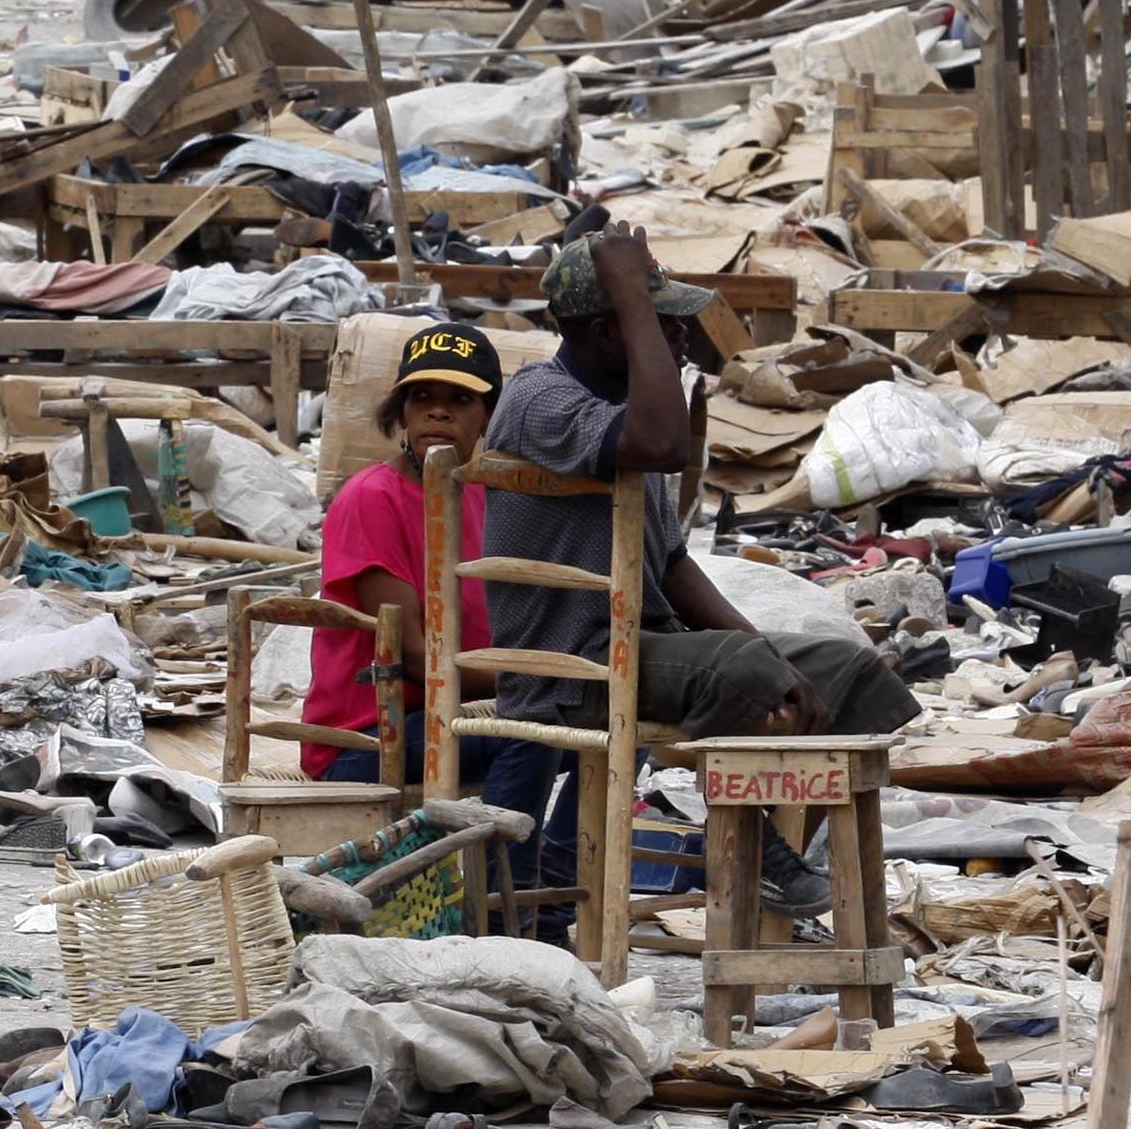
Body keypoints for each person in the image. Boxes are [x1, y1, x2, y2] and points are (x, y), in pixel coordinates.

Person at [481, 228, 922, 922]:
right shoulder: (541, 400)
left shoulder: (623, 416)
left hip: (640, 649)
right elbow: (660, 444)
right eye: (660, 324)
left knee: (849, 670)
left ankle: (785, 855)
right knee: (735, 671)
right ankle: (758, 849)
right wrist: (629, 293)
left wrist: (772, 655)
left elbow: (673, 565)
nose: (682, 338)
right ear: (608, 330)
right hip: (569, 666)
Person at [308, 323, 506, 783]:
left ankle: (535, 848)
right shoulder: (372, 498)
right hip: (369, 738)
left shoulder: (478, 492)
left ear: (488, 415)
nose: (438, 413)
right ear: (402, 412)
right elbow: (414, 658)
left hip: (451, 712)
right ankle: (522, 855)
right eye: (422, 398)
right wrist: (536, 680)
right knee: (539, 731)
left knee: (614, 718)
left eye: (460, 399)